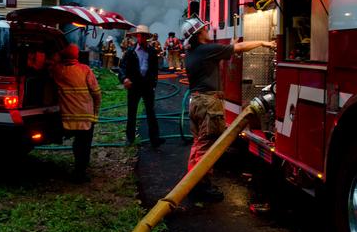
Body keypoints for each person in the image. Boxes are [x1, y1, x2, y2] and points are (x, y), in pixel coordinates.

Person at [182, 17, 276, 202]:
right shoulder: (207, 50)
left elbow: (227, 52)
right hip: (209, 104)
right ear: (199, 33)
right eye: (204, 28)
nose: (207, 30)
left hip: (196, 102)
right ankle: (201, 186)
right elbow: (239, 49)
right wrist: (264, 42)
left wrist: (231, 45)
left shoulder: (193, 54)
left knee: (199, 144)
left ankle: (192, 183)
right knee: (207, 146)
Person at [51, 43, 102, 183]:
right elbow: (97, 93)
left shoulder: (57, 70)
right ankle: (80, 173)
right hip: (86, 116)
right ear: (77, 55)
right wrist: (95, 113)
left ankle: (78, 172)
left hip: (67, 117)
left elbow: (49, 63)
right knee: (84, 145)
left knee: (77, 144)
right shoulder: (85, 69)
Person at [118, 25, 165, 148]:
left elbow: (155, 70)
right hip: (134, 86)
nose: (142, 38)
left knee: (151, 112)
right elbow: (122, 67)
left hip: (147, 86)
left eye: (144, 35)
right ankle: (130, 138)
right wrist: (124, 79)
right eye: (140, 35)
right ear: (137, 37)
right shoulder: (130, 52)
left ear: (147, 37)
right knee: (132, 112)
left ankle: (155, 139)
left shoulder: (152, 52)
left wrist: (153, 84)